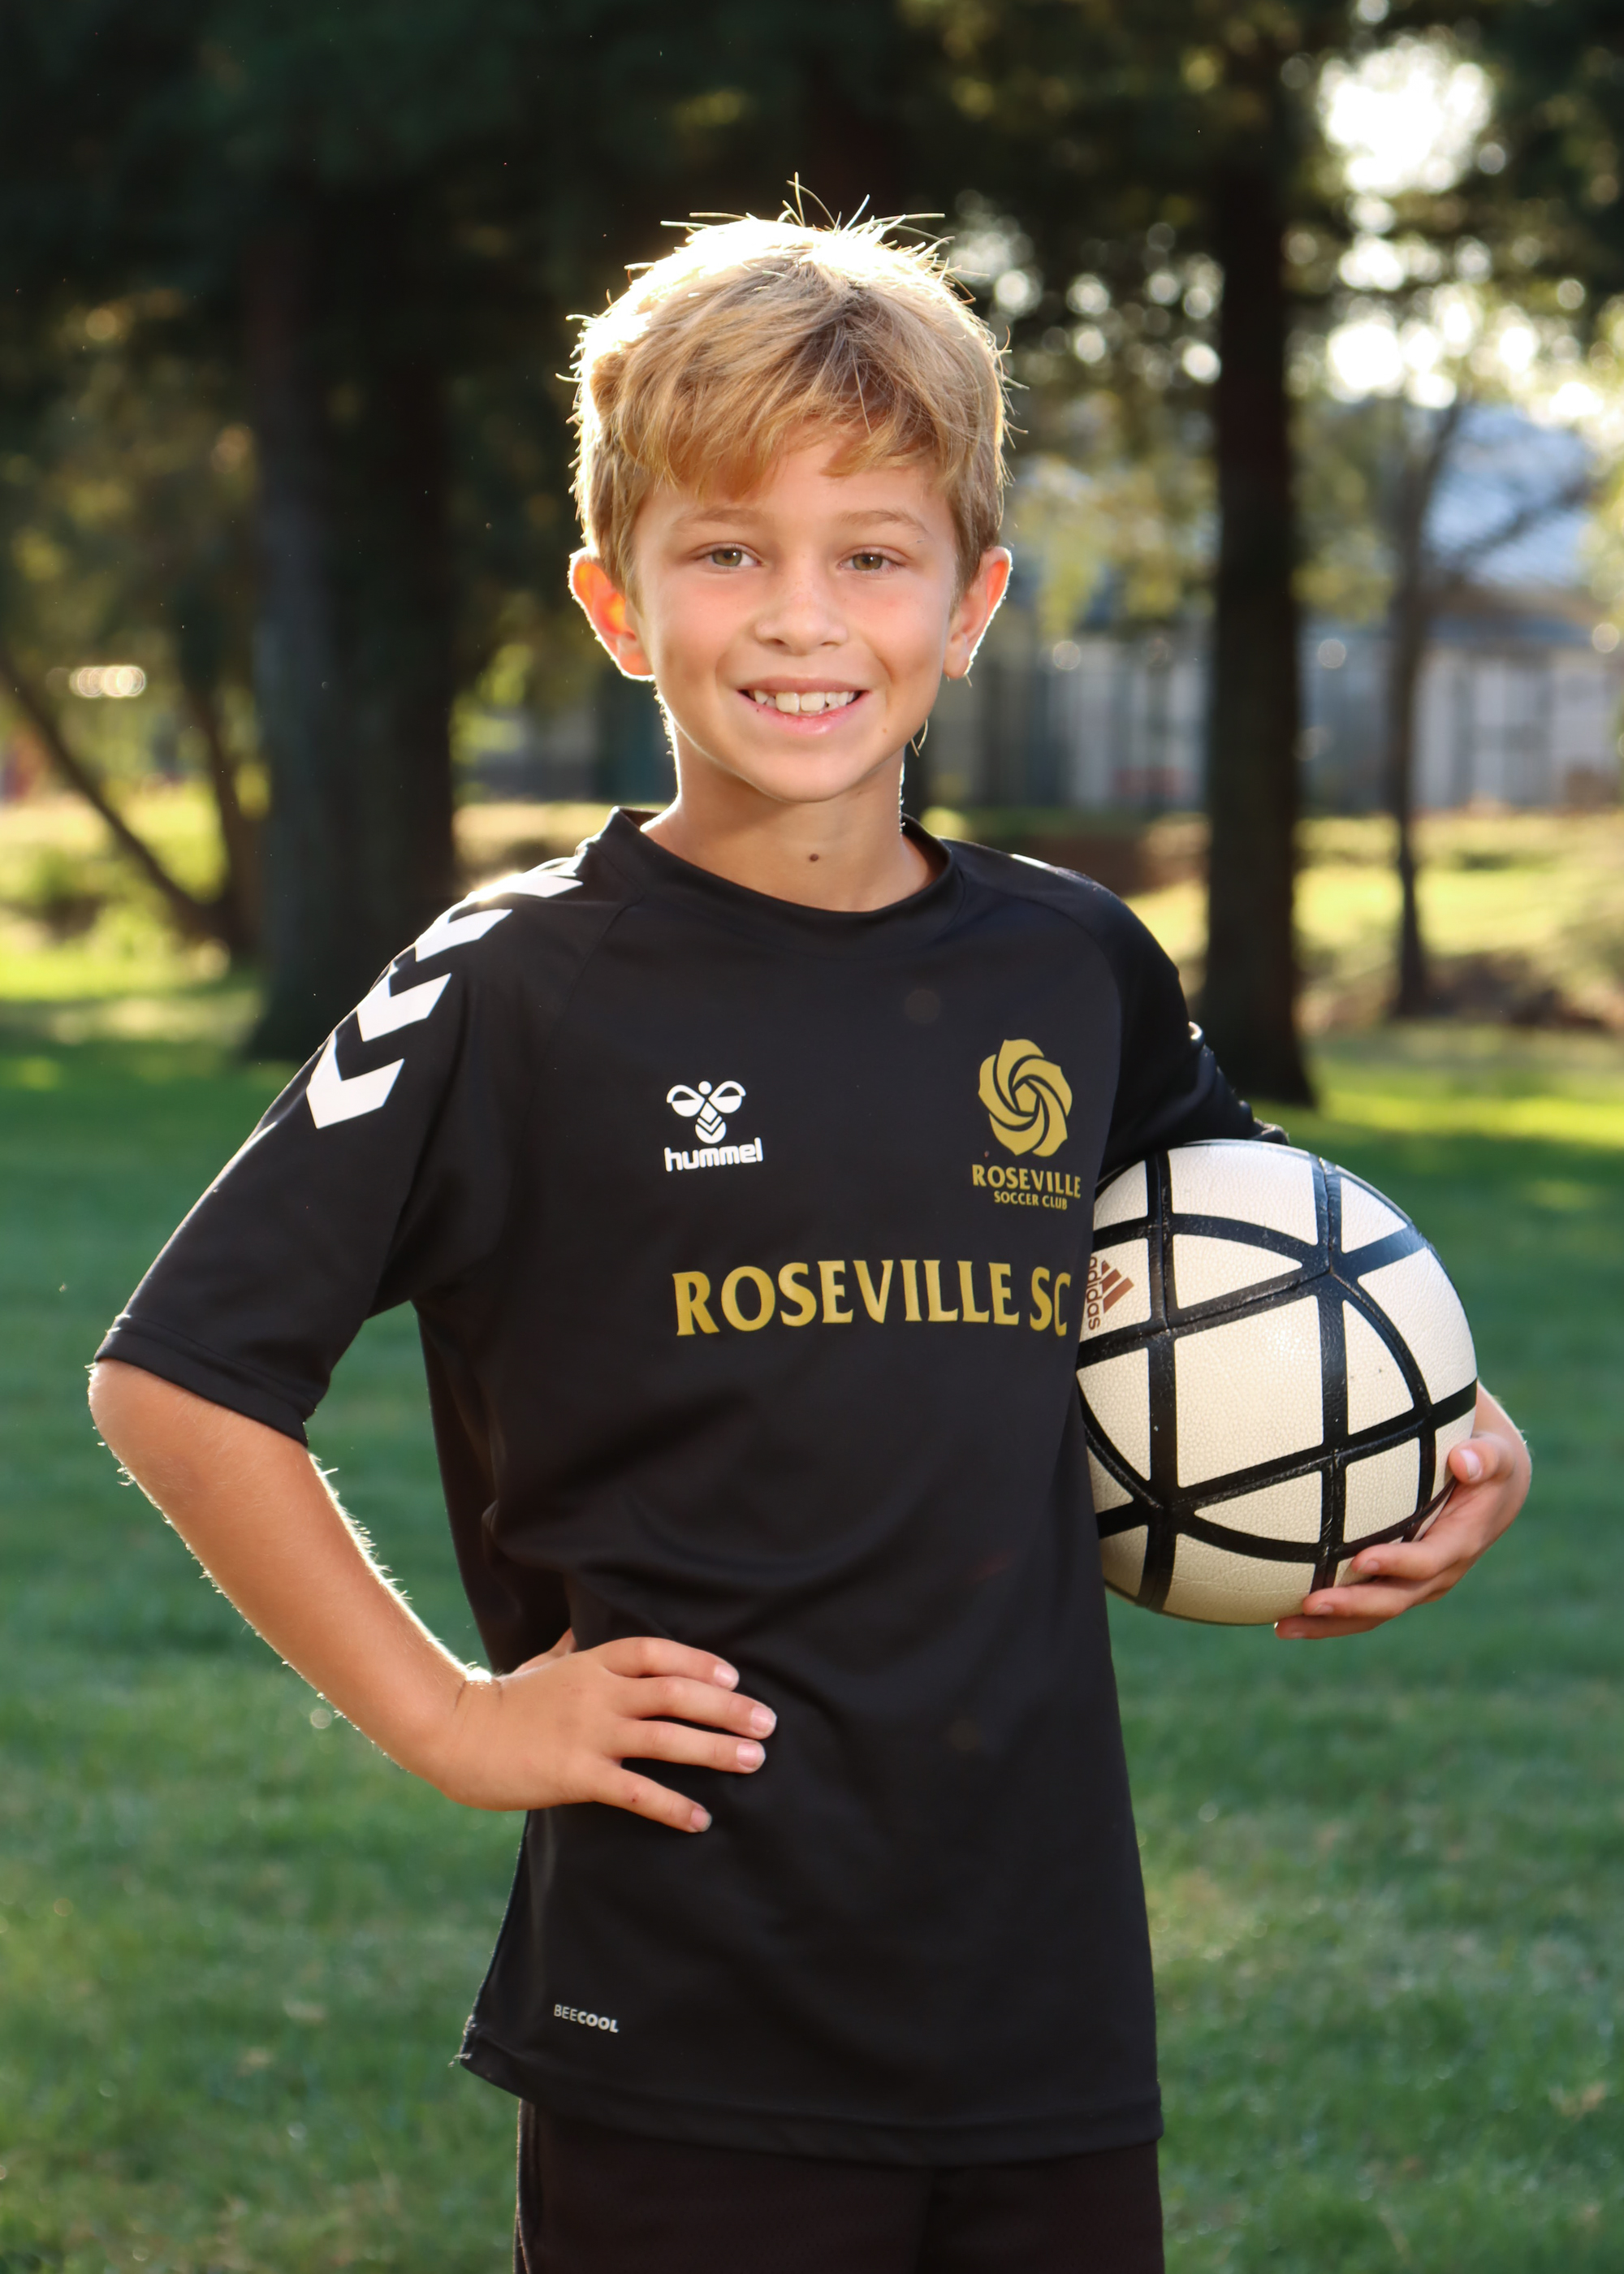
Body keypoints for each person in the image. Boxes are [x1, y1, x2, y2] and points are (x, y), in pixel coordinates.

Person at [89, 217, 1531, 2274]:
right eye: (725, 549)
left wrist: (1444, 1433)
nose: (800, 614)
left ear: (971, 600)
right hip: (689, 2003)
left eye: (871, 552)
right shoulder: (510, 985)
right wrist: (453, 1714)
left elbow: (1262, 1267)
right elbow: (179, 1379)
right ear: (614, 602)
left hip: (1042, 1998)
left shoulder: (1072, 965)